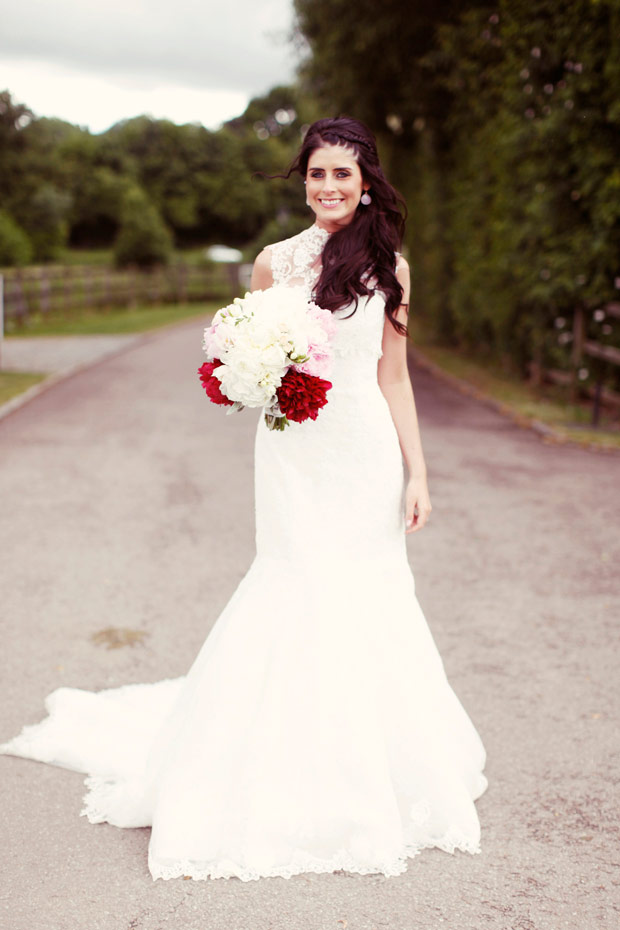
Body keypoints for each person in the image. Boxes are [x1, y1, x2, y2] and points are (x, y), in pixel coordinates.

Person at [0, 117, 487, 882]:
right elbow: (244, 357)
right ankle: (273, 763)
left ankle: (373, 768)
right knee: (293, 586)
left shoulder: (392, 265)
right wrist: (254, 381)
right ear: (304, 180)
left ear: (367, 184)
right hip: (294, 450)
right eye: (318, 173)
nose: (329, 186)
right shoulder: (273, 264)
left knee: (368, 595)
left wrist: (418, 471)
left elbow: (394, 377)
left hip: (364, 453)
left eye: (344, 175)